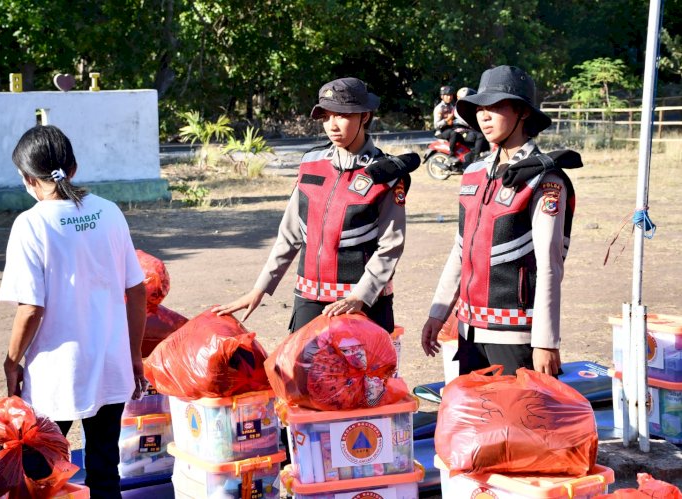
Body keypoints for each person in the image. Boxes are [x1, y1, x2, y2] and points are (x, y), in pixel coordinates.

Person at [0, 125, 147, 498]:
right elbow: (137, 289)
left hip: (56, 375)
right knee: (104, 469)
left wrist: (12, 361)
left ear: (27, 179)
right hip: (110, 365)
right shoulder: (109, 212)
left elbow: (31, 307)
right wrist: (133, 355)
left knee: (40, 473)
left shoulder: (31, 224)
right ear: (74, 167)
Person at [213, 77, 418, 333]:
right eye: (326, 117)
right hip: (309, 300)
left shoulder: (386, 174)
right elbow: (289, 235)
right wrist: (260, 288)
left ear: (364, 116)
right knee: (300, 372)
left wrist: (361, 296)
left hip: (363, 304)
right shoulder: (311, 163)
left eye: (341, 115)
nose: (332, 125)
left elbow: (391, 246)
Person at [421, 65, 582, 377]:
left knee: (517, 424)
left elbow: (550, 265)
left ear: (522, 112)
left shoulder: (544, 179)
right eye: (480, 108)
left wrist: (546, 341)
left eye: (495, 107)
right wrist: (438, 312)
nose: (484, 116)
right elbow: (460, 249)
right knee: (477, 424)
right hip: (468, 332)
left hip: (515, 336)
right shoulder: (474, 172)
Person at [445, 87, 488, 167]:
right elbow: (468, 122)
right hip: (460, 131)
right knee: (480, 135)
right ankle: (476, 158)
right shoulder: (459, 108)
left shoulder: (467, 108)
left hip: (467, 130)